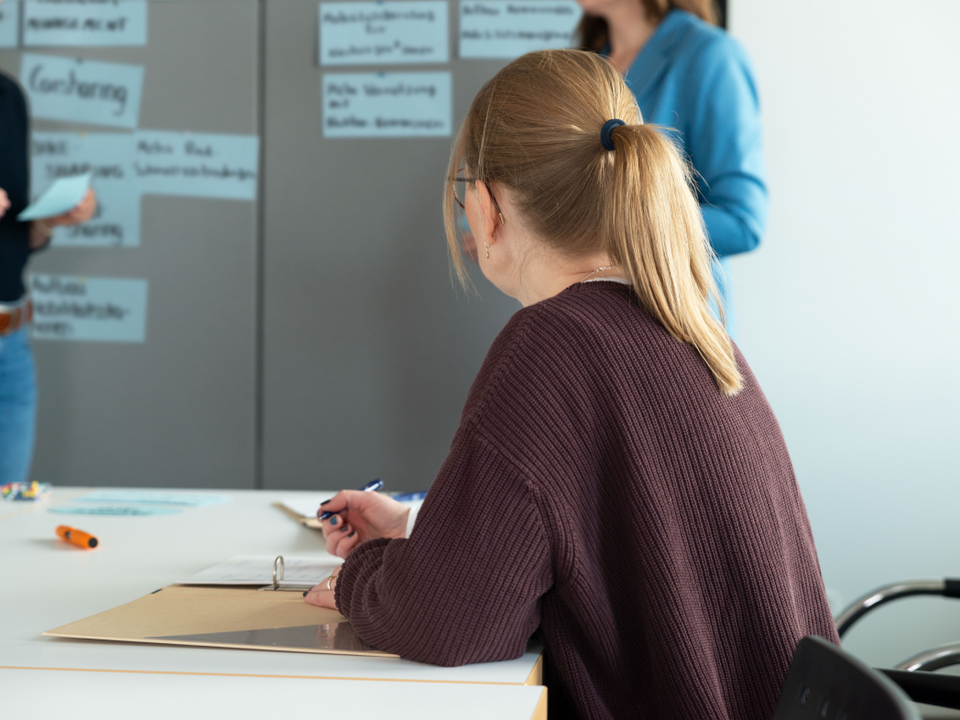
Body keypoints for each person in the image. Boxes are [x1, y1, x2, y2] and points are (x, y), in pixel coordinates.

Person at [304, 50, 836, 720]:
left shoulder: (552, 347)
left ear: (486, 205)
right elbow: (610, 539)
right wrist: (421, 529)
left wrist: (361, 576)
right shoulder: (696, 334)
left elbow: (452, 623)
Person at [578, 0, 767, 323]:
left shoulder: (711, 55)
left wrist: (607, 230)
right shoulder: (587, 64)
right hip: (589, 320)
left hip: (673, 325)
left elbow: (743, 222)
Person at [0, 64, 96, 486]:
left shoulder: (7, 96)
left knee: (10, 519)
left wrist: (50, 220)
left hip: (10, 340)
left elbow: (16, 237)